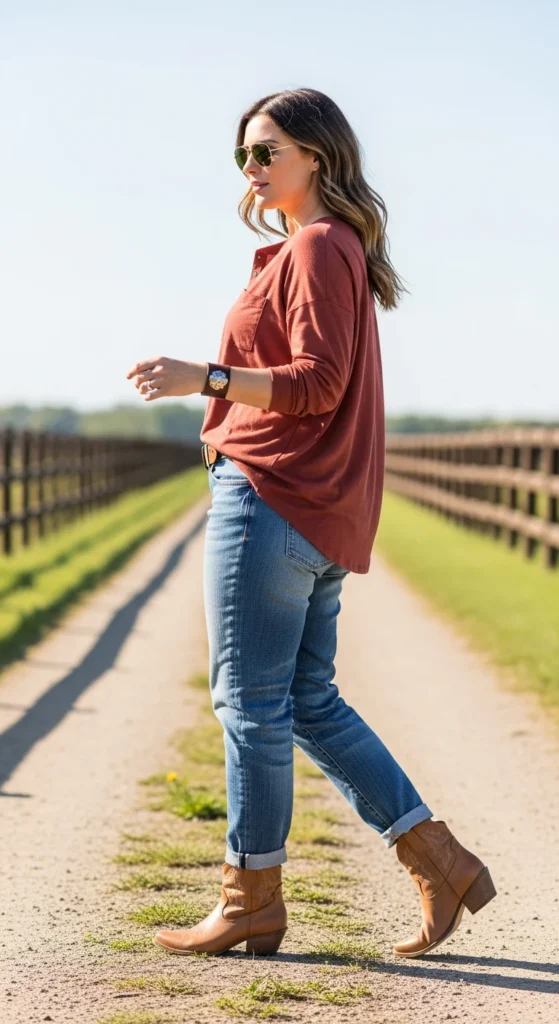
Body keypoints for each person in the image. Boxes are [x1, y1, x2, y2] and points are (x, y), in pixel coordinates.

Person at [126, 87, 496, 960]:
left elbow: (313, 385)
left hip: (270, 498)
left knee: (246, 702)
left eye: (267, 152)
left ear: (316, 157)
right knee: (305, 701)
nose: (252, 170)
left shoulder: (321, 246)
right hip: (303, 507)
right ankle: (436, 859)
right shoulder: (317, 248)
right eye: (242, 157)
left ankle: (249, 896)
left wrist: (204, 378)